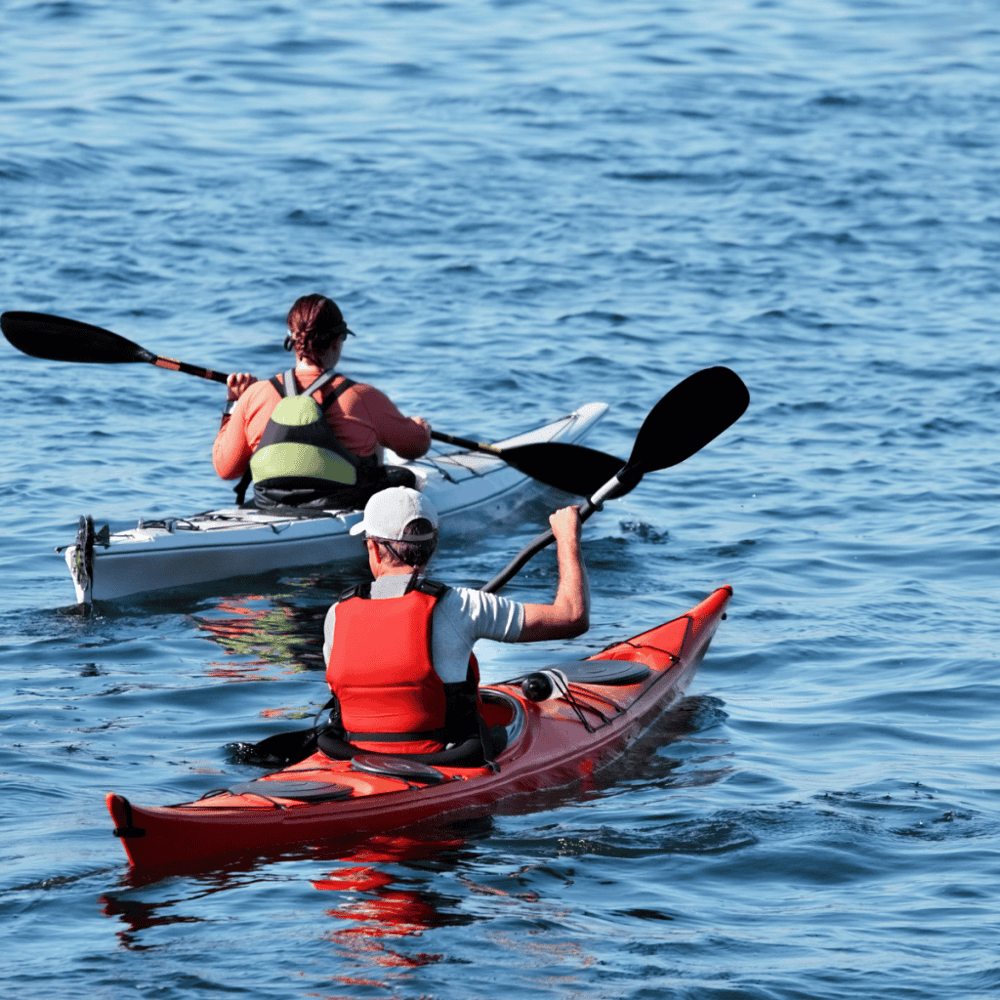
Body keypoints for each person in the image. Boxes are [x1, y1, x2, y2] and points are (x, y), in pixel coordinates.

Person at [321, 486, 589, 762]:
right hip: (444, 760)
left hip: (353, 757)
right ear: (432, 546)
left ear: (374, 548)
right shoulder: (461, 606)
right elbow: (572, 617)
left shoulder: (337, 614)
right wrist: (568, 538)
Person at [213, 294, 432, 509]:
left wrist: (234, 404)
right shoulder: (361, 396)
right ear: (337, 342)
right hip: (343, 504)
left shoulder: (254, 395)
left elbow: (226, 469)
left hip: (271, 506)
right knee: (399, 473)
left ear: (291, 340)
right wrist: (421, 429)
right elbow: (414, 447)